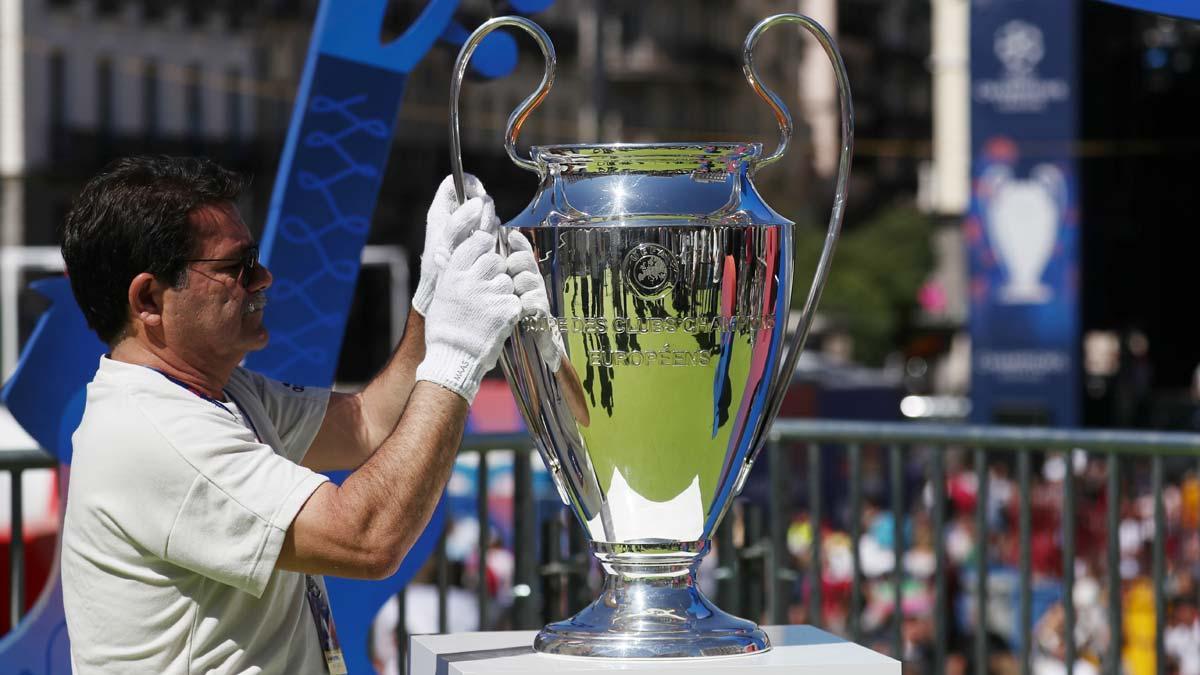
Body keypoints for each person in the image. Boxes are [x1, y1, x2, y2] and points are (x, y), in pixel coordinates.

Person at [58, 156, 552, 673]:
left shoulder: (213, 394)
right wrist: (459, 354)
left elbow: (368, 423)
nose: (264, 278)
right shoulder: (156, 430)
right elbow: (366, 540)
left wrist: (433, 294)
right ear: (148, 299)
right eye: (237, 267)